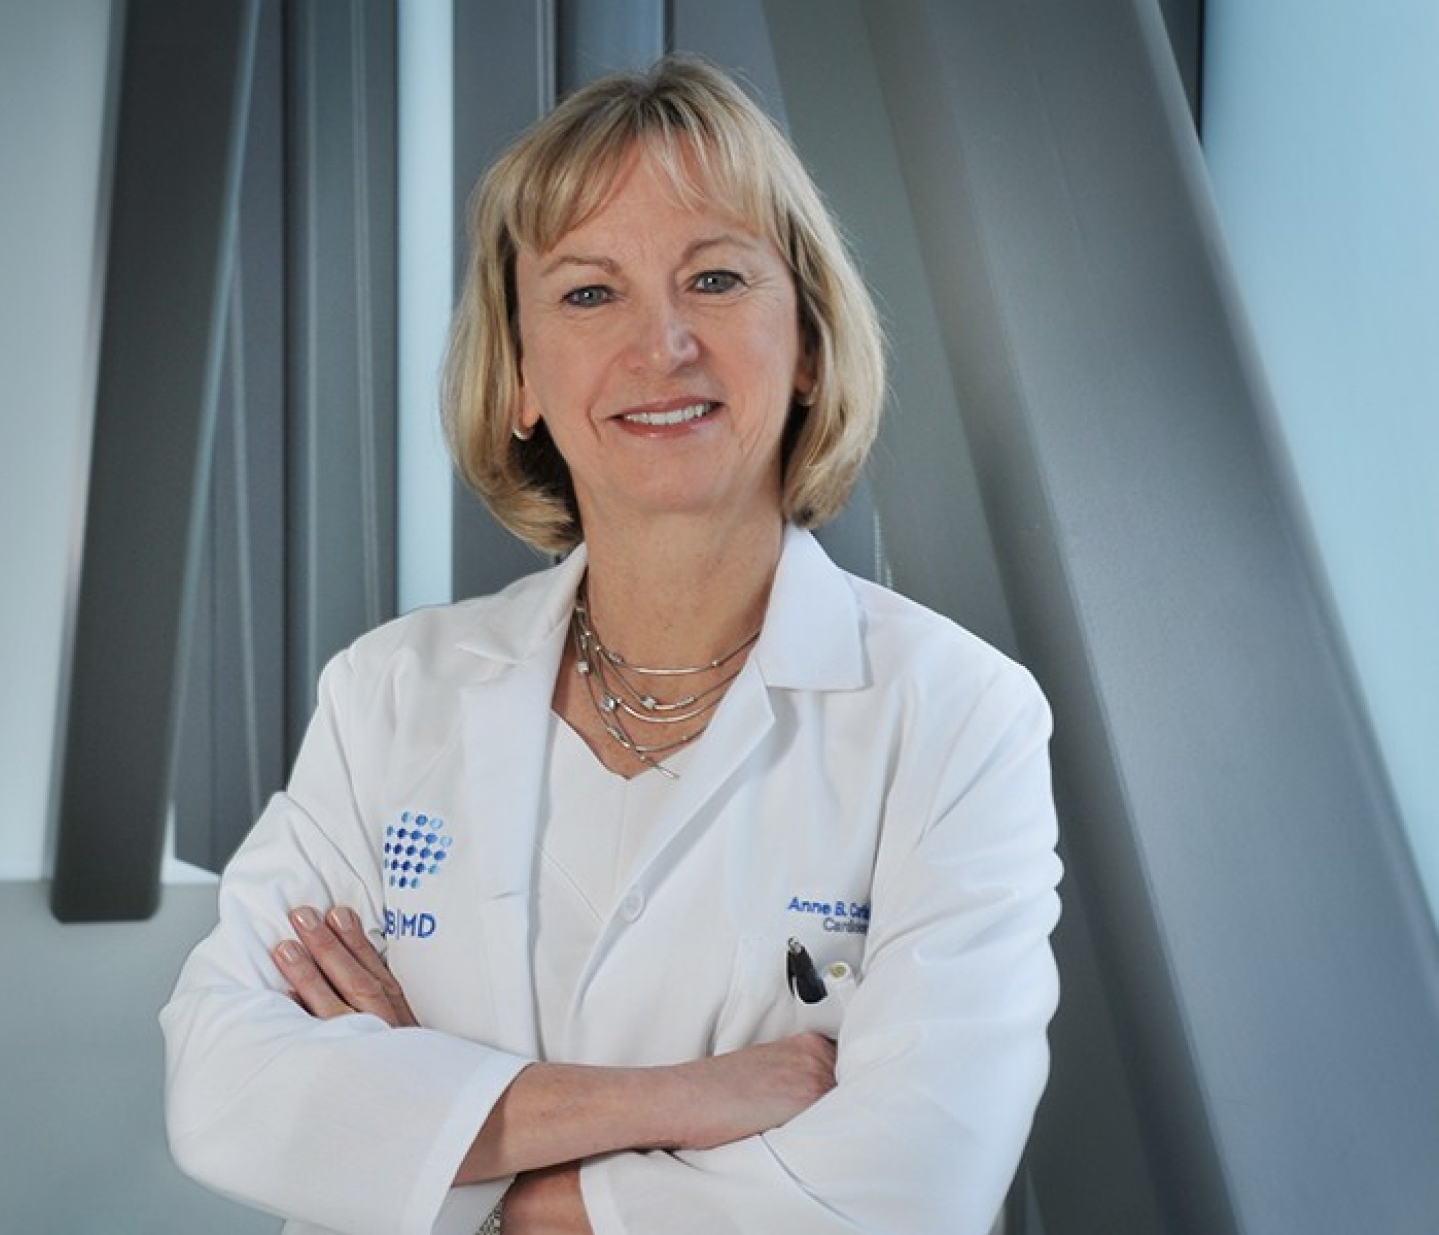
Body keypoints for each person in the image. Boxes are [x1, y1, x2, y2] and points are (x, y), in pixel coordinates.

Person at [161, 54, 1060, 1235]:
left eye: (715, 277)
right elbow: (224, 1085)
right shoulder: (390, 692)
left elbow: (909, 1184)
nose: (662, 343)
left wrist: (440, 1155)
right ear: (519, 375)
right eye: (588, 293)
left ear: (805, 343)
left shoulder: (954, 713)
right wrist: (679, 1101)